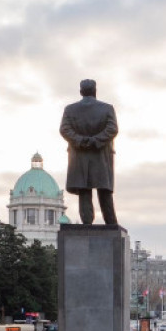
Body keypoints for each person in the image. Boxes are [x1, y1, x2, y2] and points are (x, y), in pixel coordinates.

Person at [59, 79, 118, 225]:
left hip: (79, 156)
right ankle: (110, 223)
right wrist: (95, 141)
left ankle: (87, 224)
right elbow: (112, 129)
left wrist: (80, 140)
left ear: (81, 92)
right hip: (101, 156)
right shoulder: (107, 108)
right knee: (104, 191)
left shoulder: (70, 109)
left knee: (84, 191)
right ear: (95, 91)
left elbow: (65, 129)